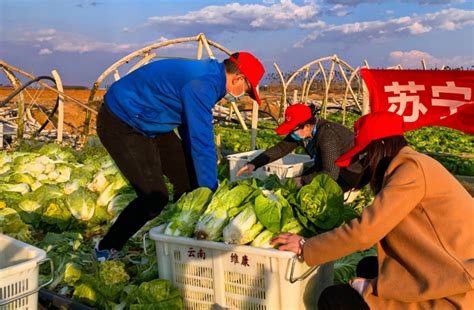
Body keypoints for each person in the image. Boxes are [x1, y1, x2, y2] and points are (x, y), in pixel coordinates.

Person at [271, 111, 473, 309]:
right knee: (369, 266)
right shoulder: (412, 164)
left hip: (457, 284)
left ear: (381, 146)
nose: (363, 164)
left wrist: (306, 246)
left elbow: (365, 231)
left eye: (364, 155)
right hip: (443, 265)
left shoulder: (411, 169)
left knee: (333, 299)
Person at [93, 52, 265, 261]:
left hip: (152, 121)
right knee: (153, 197)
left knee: (189, 181)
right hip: (122, 121)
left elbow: (189, 126)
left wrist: (201, 185)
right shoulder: (204, 84)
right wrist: (210, 192)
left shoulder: (213, 78)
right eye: (246, 90)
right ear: (238, 78)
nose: (243, 95)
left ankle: (180, 240)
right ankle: (106, 248)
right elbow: (202, 142)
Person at [236, 103, 365, 192]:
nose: (291, 134)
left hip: (348, 176)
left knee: (303, 186)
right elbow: (281, 149)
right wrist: (254, 164)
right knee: (300, 181)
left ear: (307, 126)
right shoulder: (303, 134)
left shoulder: (327, 135)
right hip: (329, 169)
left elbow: (331, 173)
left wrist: (303, 181)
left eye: (292, 130)